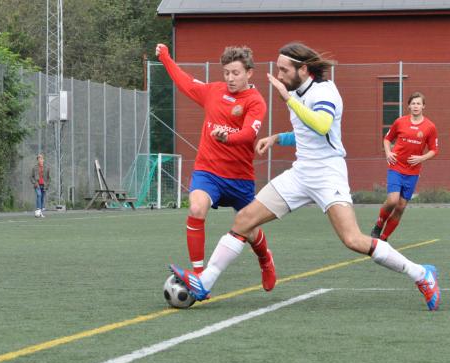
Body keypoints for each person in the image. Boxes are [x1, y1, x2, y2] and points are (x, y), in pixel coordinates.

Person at [170, 42, 440, 311]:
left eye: (284, 70)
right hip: (301, 173)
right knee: (244, 220)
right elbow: (305, 132)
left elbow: (321, 125)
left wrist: (288, 100)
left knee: (353, 240)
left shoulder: (325, 91)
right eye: (278, 69)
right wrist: (278, 138)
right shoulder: (296, 91)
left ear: (303, 69)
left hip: (327, 174)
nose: (279, 75)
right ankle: (205, 283)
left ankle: (421, 273)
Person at [156, 43, 276, 291]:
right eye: (226, 73)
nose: (230, 78)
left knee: (250, 231)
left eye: (236, 73)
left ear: (249, 73)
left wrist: (227, 138)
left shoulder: (256, 102)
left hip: (240, 178)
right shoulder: (213, 91)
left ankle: (265, 260)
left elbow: (247, 134)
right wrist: (166, 57)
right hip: (208, 171)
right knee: (196, 208)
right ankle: (199, 276)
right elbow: (185, 82)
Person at [371, 92, 438, 241]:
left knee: (401, 206)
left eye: (418, 103)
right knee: (393, 200)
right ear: (408, 106)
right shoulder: (400, 122)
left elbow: (434, 150)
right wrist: (388, 153)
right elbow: (387, 139)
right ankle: (379, 224)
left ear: (423, 106)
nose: (416, 106)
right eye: (413, 103)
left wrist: (421, 158)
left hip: (413, 172)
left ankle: (384, 238)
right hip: (396, 167)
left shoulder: (430, 127)